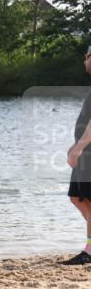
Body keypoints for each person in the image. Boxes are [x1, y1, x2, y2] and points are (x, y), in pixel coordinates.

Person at [62, 46, 91, 265]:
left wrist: (80, 147)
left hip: (89, 153)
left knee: (87, 200)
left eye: (87, 57)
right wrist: (75, 146)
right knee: (77, 197)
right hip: (84, 151)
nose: (84, 61)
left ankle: (89, 250)